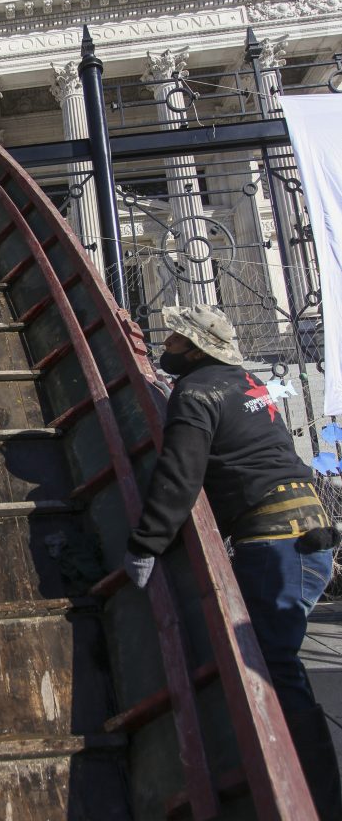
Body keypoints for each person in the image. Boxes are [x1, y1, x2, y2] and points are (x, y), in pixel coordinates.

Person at [123, 304, 342, 820]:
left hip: (275, 544)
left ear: (196, 348)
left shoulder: (196, 394)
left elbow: (180, 476)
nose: (168, 345)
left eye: (177, 340)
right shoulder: (245, 382)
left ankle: (314, 798)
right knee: (276, 660)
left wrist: (145, 545)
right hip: (308, 534)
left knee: (273, 668)